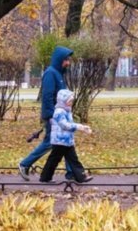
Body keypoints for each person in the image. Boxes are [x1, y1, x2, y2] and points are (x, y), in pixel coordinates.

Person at [18, 46, 75, 181]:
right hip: (53, 116)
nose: (68, 63)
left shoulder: (58, 73)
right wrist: (51, 116)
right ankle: (24, 164)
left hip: (59, 114)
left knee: (65, 141)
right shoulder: (51, 73)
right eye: (66, 60)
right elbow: (47, 96)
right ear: (59, 60)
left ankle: (72, 173)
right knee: (52, 142)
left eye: (68, 60)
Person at [39, 89, 93, 183]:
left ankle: (81, 176)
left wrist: (82, 127)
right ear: (63, 101)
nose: (71, 103)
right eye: (70, 101)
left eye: (72, 101)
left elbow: (69, 124)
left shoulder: (67, 111)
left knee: (70, 159)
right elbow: (64, 125)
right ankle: (45, 177)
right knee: (55, 159)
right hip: (60, 140)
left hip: (66, 140)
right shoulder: (59, 112)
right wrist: (79, 127)